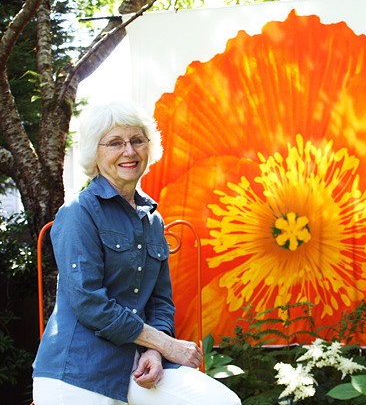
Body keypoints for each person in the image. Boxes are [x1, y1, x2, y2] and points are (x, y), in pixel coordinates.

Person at [32, 101, 241, 405]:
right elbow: (90, 303)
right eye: (115, 142)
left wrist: (155, 353)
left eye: (137, 140)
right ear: (95, 152)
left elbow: (160, 301)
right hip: (78, 373)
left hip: (137, 367)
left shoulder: (151, 218)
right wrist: (167, 345)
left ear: (149, 147)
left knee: (222, 402)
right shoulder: (78, 212)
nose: (129, 151)